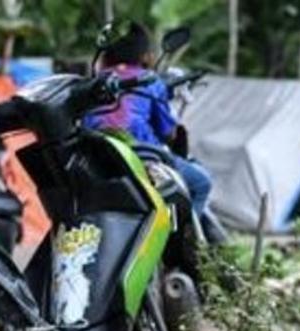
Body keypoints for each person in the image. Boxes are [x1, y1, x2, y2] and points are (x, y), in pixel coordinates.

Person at [84, 21, 212, 221]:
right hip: (141, 156)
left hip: (97, 157)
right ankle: (187, 244)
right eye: (150, 51)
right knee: (201, 183)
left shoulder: (95, 80)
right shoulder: (149, 80)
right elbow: (168, 133)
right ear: (143, 56)